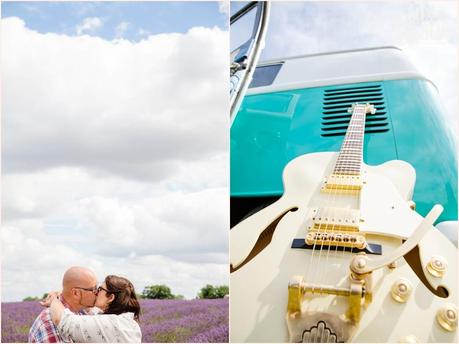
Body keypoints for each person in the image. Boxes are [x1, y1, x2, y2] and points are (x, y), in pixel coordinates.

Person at [44, 275, 142, 343]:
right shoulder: (124, 321)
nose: (95, 292)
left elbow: (64, 321)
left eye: (100, 289)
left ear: (110, 298)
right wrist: (69, 295)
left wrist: (54, 299)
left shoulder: (113, 323)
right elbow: (91, 312)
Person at [28, 266, 98, 342]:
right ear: (76, 293)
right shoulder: (50, 324)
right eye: (93, 289)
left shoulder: (81, 311)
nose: (97, 293)